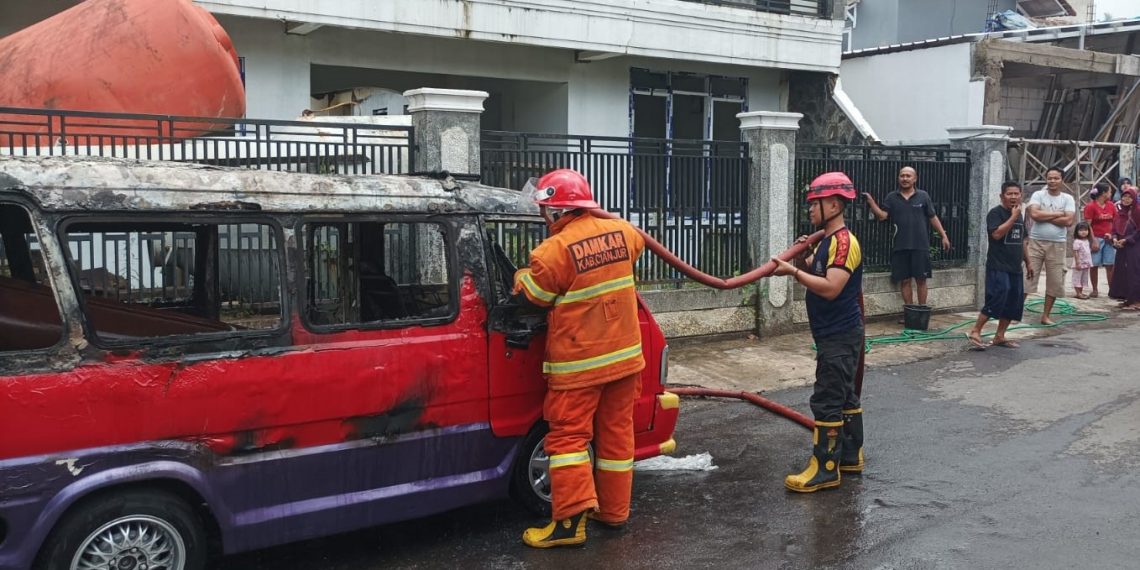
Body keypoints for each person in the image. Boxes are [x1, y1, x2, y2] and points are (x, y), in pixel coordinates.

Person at [512, 168, 646, 548]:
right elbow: (631, 249)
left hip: (580, 366)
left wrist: (522, 275)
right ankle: (613, 512)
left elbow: (530, 300)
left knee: (568, 440)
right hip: (624, 361)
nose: (542, 216)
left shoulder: (551, 253)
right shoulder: (625, 232)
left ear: (555, 211)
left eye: (544, 210)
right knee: (617, 438)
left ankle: (569, 525)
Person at [772, 172, 864, 493]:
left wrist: (793, 271)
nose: (810, 209)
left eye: (815, 203)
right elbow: (820, 271)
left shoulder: (844, 243)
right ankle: (850, 457)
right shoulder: (827, 241)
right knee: (844, 394)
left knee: (827, 399)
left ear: (835, 205)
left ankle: (824, 470)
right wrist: (803, 259)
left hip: (840, 334)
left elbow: (830, 288)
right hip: (833, 334)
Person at [862, 166, 951, 315]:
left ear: (914, 179)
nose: (905, 178)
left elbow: (932, 217)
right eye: (902, 175)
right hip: (900, 245)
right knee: (905, 280)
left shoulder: (923, 196)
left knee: (921, 280)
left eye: (908, 176)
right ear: (898, 178)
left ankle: (922, 313)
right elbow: (883, 216)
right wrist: (871, 202)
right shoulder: (892, 197)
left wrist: (944, 235)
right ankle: (909, 314)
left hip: (920, 245)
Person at [967, 182, 1029, 349]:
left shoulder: (1020, 215)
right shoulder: (995, 213)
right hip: (998, 265)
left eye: (1017, 194)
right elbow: (996, 234)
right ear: (1002, 196)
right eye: (1010, 194)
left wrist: (1028, 263)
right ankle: (976, 330)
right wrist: (1013, 217)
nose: (1014, 197)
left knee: (1013, 301)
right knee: (998, 296)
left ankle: (1000, 336)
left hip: (1015, 266)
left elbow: (1023, 240)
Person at [1023, 167, 1076, 324]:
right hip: (1035, 242)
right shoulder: (1038, 195)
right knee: (1028, 277)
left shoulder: (1067, 198)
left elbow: (1068, 221)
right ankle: (1015, 313)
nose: (1052, 181)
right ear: (1046, 179)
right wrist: (1058, 214)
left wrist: (1044, 216)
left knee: (1055, 280)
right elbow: (1034, 215)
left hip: (1058, 244)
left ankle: (1045, 316)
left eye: (1056, 178)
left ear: (1062, 180)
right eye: (1050, 178)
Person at [1083, 183, 1117, 297]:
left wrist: (1113, 235)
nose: (1111, 194)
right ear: (1103, 193)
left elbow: (1115, 222)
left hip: (1109, 239)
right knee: (1094, 265)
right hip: (1096, 237)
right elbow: (1088, 225)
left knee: (1110, 264)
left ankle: (1112, 289)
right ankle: (1095, 289)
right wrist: (1093, 240)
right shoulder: (1090, 206)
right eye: (1110, 191)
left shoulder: (1111, 206)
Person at [1108, 188, 1140, 310]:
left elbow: (1139, 230)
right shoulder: (1120, 212)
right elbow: (1115, 228)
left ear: (1134, 199)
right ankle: (1128, 299)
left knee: (1134, 272)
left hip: (1135, 246)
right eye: (1124, 197)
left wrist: (1127, 239)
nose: (1126, 199)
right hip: (1122, 247)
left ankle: (1137, 301)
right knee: (1123, 272)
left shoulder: (1137, 211)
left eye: (1129, 197)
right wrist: (1115, 238)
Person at [1071, 222, 1093, 299]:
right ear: (1077, 231)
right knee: (1077, 278)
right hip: (1079, 263)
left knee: (1083, 278)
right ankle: (1078, 293)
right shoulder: (1077, 241)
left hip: (1086, 264)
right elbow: (1075, 251)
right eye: (1081, 230)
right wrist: (1077, 262)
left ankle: (1080, 292)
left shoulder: (1087, 241)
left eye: (1085, 230)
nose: (1083, 232)